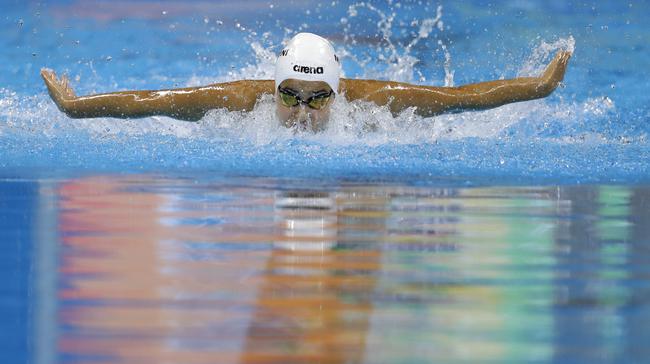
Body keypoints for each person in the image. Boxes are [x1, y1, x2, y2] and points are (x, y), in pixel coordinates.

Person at [41, 32, 571, 132]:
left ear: (338, 95)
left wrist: (539, 86)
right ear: (273, 91)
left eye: (319, 99)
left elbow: (460, 100)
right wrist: (75, 106)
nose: (301, 112)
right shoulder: (238, 103)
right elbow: (150, 101)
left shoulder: (374, 104)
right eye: (290, 96)